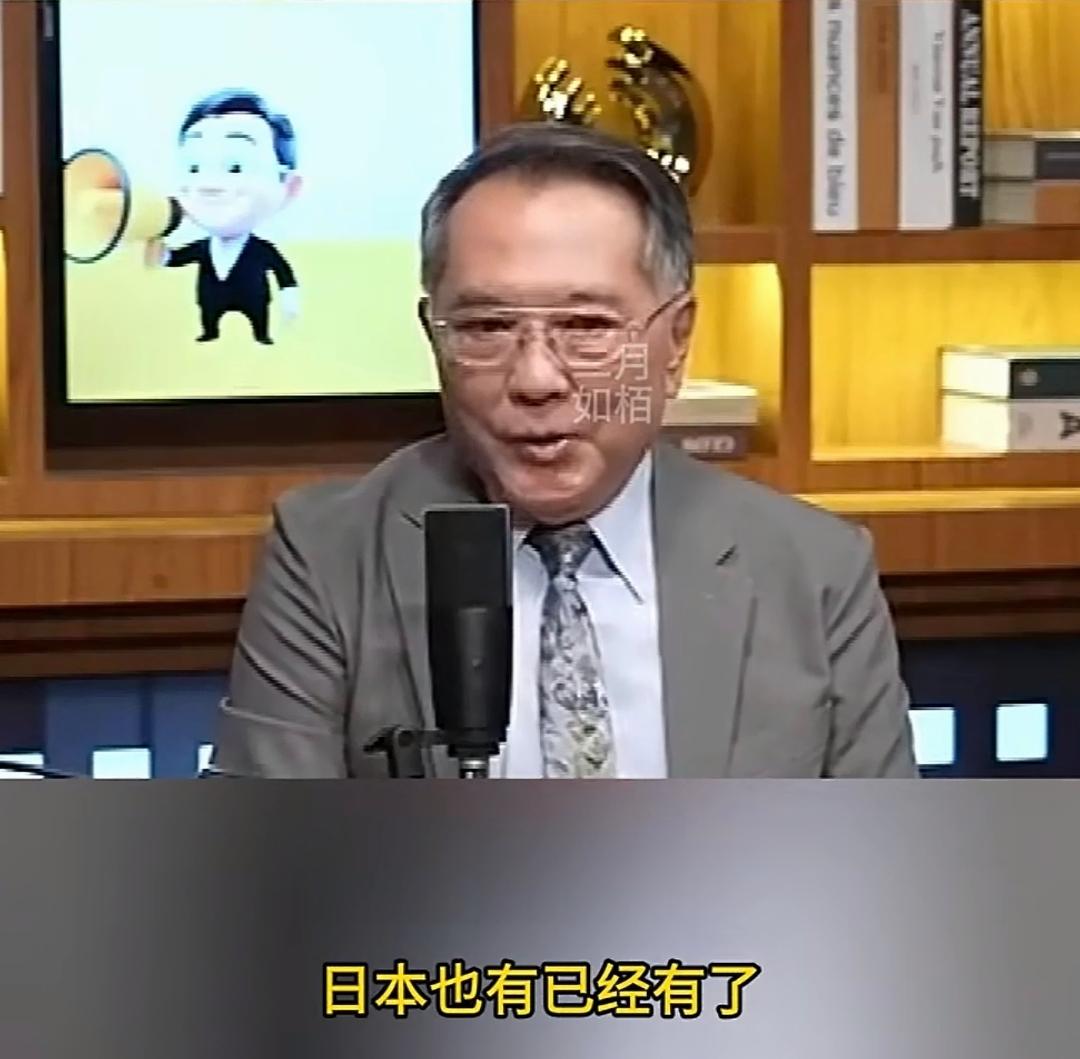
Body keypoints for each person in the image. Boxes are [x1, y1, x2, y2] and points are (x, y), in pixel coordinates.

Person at [211, 122, 917, 778]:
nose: (536, 379)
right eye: (486, 328)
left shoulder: (814, 570)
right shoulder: (329, 555)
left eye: (586, 327)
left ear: (675, 342)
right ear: (434, 336)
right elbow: (267, 856)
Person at [148, 88, 301, 344]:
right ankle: (210, 330)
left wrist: (290, 298)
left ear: (288, 187)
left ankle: (261, 334)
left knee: (257, 316)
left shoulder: (261, 250)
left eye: (236, 167)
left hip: (253, 298)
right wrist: (161, 254)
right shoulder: (203, 248)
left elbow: (282, 273)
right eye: (194, 167)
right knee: (209, 314)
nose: (209, 184)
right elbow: (179, 257)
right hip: (212, 295)